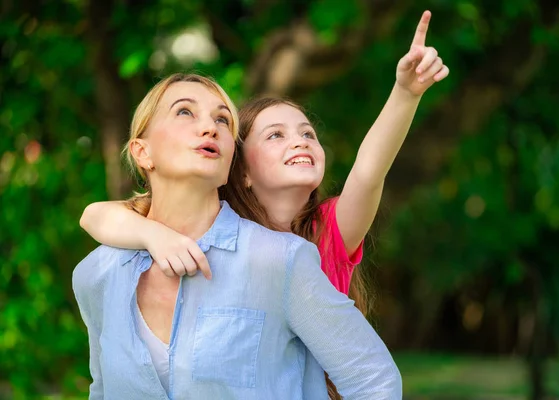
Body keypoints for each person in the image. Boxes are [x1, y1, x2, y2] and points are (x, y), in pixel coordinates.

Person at [73, 72, 402, 399]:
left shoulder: (281, 258)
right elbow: (101, 391)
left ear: (231, 159)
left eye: (222, 119)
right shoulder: (96, 275)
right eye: (185, 111)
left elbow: (374, 381)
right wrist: (151, 235)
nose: (209, 127)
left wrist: (405, 91)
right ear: (142, 152)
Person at [80, 10, 448, 303]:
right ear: (242, 172)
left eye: (308, 133)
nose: (300, 142)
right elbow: (95, 214)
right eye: (276, 135)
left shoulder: (327, 233)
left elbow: (369, 170)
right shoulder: (224, 228)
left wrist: (405, 93)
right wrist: (151, 235)